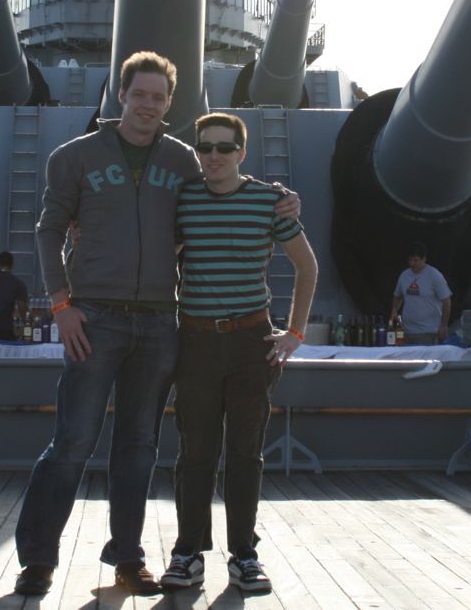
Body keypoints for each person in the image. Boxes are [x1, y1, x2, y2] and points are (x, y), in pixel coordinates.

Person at [13, 52, 297, 597]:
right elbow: (48, 231)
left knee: (139, 444)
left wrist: (280, 197)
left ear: (169, 103)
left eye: (158, 97)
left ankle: (128, 556)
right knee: (72, 441)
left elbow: (224, 177)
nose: (148, 104)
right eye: (139, 94)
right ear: (122, 96)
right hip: (92, 318)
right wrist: (60, 304)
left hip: (160, 322)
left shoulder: (183, 158)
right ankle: (39, 559)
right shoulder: (73, 158)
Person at [160, 113, 317, 595]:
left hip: (251, 344)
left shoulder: (269, 202)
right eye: (205, 147)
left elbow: (306, 267)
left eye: (224, 148)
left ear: (241, 153)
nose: (213, 156)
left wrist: (294, 333)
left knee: (245, 452)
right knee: (196, 452)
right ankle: (188, 553)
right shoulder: (182, 200)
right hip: (196, 342)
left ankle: (244, 556)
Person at [388, 245, 452, 345]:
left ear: (424, 259)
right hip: (406, 331)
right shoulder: (404, 275)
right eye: (410, 260)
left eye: (415, 260)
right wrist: (394, 310)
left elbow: (446, 301)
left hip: (429, 332)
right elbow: (398, 296)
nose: (412, 263)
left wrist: (444, 325)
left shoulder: (434, 275)